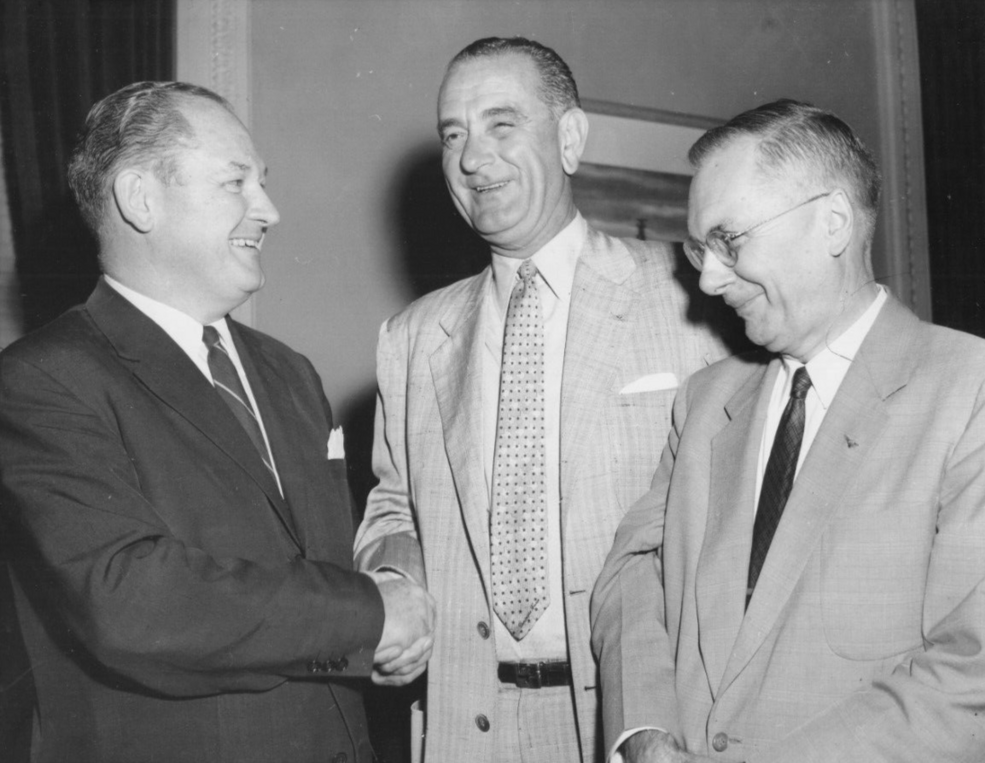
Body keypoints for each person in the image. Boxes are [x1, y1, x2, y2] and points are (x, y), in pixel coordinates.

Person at [0, 81, 434, 763]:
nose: (269, 210)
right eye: (236, 182)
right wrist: (371, 616)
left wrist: (394, 585)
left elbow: (314, 571)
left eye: (262, 183)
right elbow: (131, 602)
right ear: (141, 199)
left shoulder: (291, 374)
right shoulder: (44, 380)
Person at [354, 37, 729, 762]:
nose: (471, 158)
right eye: (453, 135)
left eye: (501, 124)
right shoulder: (411, 337)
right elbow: (393, 503)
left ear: (570, 137)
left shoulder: (692, 301)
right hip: (468, 721)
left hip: (640, 722)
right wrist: (395, 577)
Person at [591, 98, 985, 763]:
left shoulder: (966, 390)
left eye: (728, 241)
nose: (708, 279)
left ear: (830, 223)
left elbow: (969, 672)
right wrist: (645, 733)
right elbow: (631, 578)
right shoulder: (703, 402)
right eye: (698, 248)